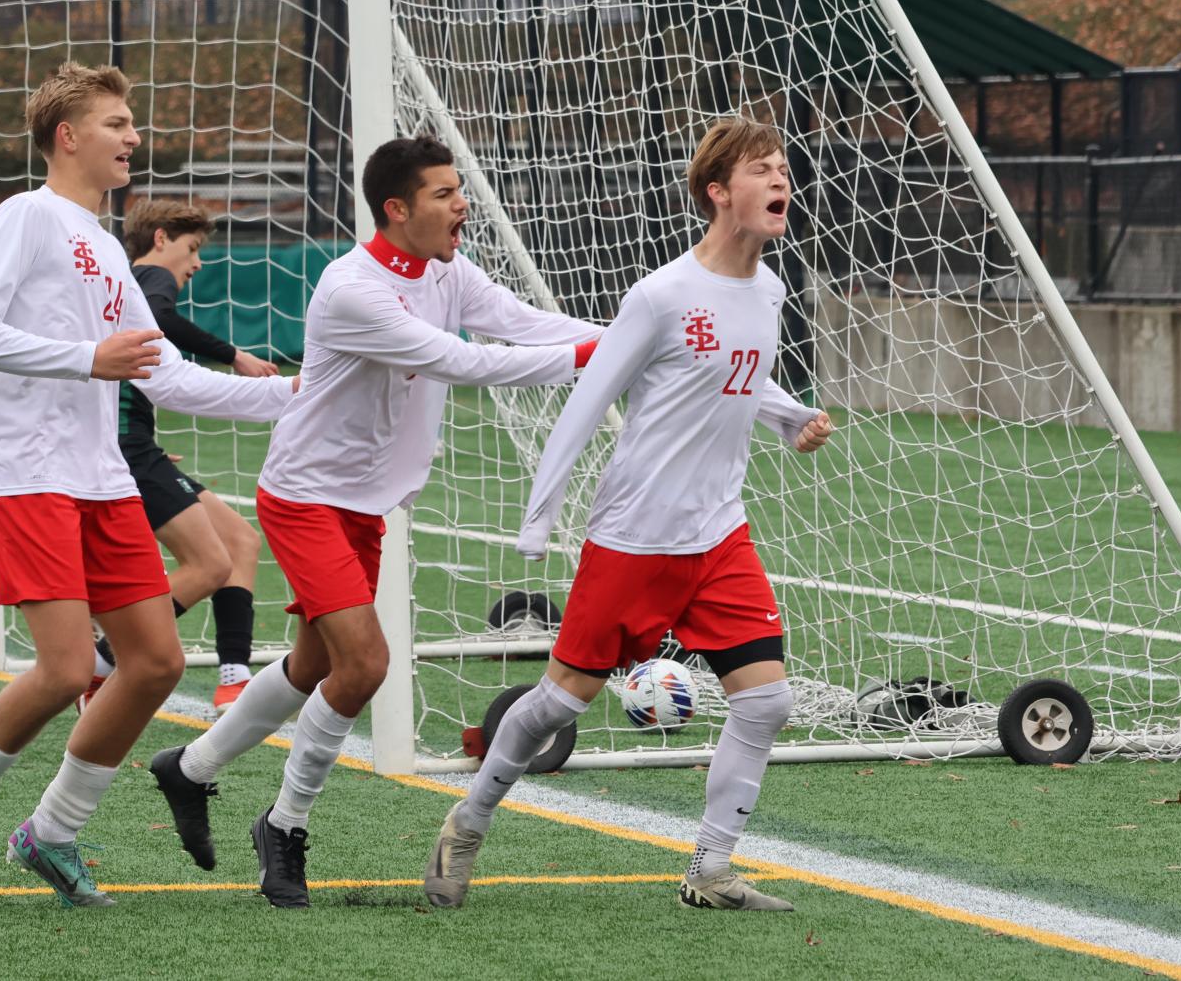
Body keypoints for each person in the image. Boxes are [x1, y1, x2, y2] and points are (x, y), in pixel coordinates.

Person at [149, 134, 601, 909]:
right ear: (396, 209)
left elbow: (523, 325)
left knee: (311, 668)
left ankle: (187, 768)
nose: (462, 205)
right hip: (305, 497)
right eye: (443, 194)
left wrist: (630, 331)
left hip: (363, 505)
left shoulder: (448, 270)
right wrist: (611, 353)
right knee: (362, 666)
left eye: (460, 190)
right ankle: (283, 826)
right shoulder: (353, 289)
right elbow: (469, 362)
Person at [423, 118, 835, 913]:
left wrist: (792, 420)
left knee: (764, 700)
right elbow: (587, 403)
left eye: (784, 167)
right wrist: (537, 521)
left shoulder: (772, 289)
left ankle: (709, 872)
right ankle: (468, 820)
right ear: (719, 192)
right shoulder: (661, 294)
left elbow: (739, 383)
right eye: (762, 169)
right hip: (634, 538)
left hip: (718, 532)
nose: (781, 180)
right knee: (557, 704)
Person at [0, 62, 296, 909]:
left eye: (131, 124)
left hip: (102, 480)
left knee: (156, 662)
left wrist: (290, 395)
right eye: (117, 123)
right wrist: (83, 358)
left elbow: (168, 379)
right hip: (30, 477)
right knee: (61, 671)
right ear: (68, 136)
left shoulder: (104, 246)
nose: (133, 137)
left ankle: (51, 832)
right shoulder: (27, 215)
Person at [78, 197, 280, 715]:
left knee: (239, 541)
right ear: (161, 238)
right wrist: (233, 354)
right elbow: (163, 323)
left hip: (134, 445)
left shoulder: (124, 285)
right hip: (127, 449)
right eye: (192, 248)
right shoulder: (150, 279)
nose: (197, 263)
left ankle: (233, 677)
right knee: (210, 562)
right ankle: (101, 667)